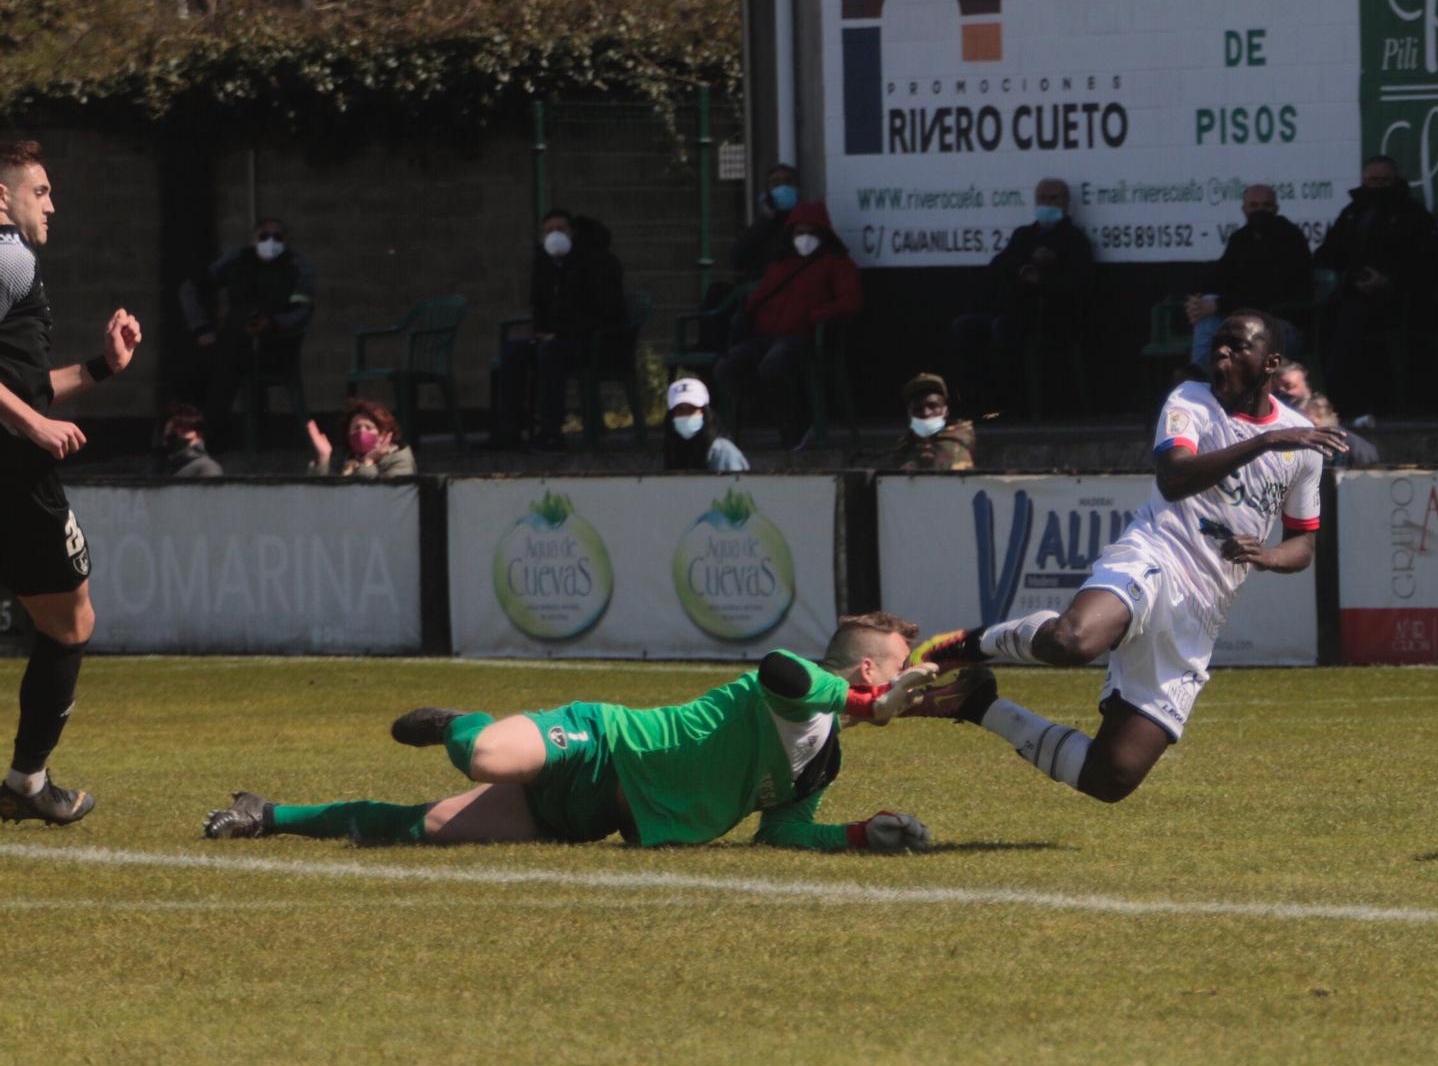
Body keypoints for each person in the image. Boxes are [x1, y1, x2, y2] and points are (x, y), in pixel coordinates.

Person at [904, 311, 1341, 803]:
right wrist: (1263, 441)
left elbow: (1303, 544)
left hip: (1200, 609)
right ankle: (971, 643)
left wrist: (1267, 556)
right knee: (1073, 641)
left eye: (1237, 346)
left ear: (1270, 362)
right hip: (1155, 555)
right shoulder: (1190, 400)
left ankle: (978, 704)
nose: (1221, 353)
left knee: (1109, 778)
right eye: (1217, 345)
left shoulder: (1300, 441)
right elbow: (1174, 479)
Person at [202, 613, 944, 851]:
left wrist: (854, 834)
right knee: (486, 755)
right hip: (600, 740)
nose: (912, 687)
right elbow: (781, 668)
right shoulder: (795, 688)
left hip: (598, 816)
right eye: (903, 670)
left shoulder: (823, 762)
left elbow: (781, 836)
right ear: (869, 671)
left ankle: (266, 813)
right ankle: (458, 722)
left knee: (423, 829)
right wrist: (866, 702)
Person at [0, 139, 144, 825]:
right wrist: (32, 425)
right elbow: (21, 402)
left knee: (61, 619)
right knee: (69, 621)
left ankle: (28, 782)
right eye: (41, 190)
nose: (52, 204)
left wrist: (100, 369)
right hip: (13, 475)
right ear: (3, 196)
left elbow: (23, 382)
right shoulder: (7, 254)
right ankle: (27, 783)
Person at [718, 201, 863, 449]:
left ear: (823, 234)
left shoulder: (837, 263)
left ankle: (797, 425)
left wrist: (817, 314)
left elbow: (852, 301)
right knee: (727, 367)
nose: (804, 238)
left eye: (811, 232)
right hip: (765, 335)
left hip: (802, 336)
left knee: (772, 366)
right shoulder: (780, 265)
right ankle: (759, 420)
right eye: (799, 232)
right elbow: (758, 297)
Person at [1312, 156, 1438, 425]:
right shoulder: (1352, 213)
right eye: (1373, 180)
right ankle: (1335, 403)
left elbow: (1427, 264)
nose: (1378, 185)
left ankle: (1355, 404)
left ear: (1396, 180)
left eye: (1384, 180)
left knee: (1355, 323)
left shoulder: (1413, 215)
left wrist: (1387, 279)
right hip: (1350, 292)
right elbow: (1328, 253)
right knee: (1325, 323)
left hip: (1399, 298)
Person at [953, 178, 1093, 416]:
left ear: (1066, 203)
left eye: (1053, 199)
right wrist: (1024, 268)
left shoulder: (1074, 240)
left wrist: (1044, 277)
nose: (1047, 204)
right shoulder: (1024, 235)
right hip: (1011, 308)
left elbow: (1078, 282)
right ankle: (974, 404)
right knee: (965, 326)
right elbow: (999, 264)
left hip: (1050, 316)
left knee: (1003, 329)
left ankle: (1012, 406)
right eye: (1042, 199)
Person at [492, 210, 627, 451]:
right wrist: (541, 332)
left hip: (594, 341)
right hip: (557, 339)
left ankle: (551, 431)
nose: (554, 235)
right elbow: (541, 307)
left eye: (560, 229)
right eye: (548, 230)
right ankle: (508, 431)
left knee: (550, 353)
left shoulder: (598, 262)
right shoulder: (545, 264)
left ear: (573, 232)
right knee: (513, 352)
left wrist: (563, 334)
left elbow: (605, 312)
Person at [180, 215, 315, 451]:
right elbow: (190, 288)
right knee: (206, 371)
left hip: (276, 346)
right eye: (263, 236)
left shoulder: (297, 266)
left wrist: (273, 323)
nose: (270, 242)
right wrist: (201, 327)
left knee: (227, 367)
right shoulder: (237, 260)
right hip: (233, 341)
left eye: (277, 237)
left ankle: (209, 442)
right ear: (253, 239)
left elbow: (302, 311)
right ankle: (193, 438)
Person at [1188, 184, 1313, 362]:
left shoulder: (1289, 238)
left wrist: (1220, 305)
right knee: (1207, 308)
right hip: (1242, 318)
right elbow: (1220, 277)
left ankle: (1212, 382)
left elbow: (1271, 291)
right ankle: (1201, 383)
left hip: (1281, 322)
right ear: (1244, 209)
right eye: (1254, 206)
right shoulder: (1240, 238)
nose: (1260, 210)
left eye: (1266, 205)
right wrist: (1198, 301)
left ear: (1276, 209)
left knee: (1230, 326)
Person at [706, 163, 800, 351]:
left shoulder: (804, 222)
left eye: (788, 182)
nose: (782, 187)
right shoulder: (763, 223)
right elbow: (738, 258)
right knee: (717, 293)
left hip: (785, 294)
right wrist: (766, 220)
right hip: (756, 293)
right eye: (775, 183)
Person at [887, 371, 976, 472]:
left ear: (945, 411)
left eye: (932, 406)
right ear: (909, 414)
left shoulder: (955, 447)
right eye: (917, 408)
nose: (926, 413)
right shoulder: (903, 449)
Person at [306, 397, 416, 478]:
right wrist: (323, 458)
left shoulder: (400, 459)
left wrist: (368, 462)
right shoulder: (344, 459)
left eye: (369, 427)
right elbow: (321, 497)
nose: (362, 432)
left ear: (384, 434)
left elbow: (377, 497)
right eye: (356, 428)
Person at [661, 375, 750, 473]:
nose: (685, 415)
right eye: (679, 409)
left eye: (692, 408)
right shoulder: (672, 450)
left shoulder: (723, 452)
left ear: (705, 412)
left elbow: (735, 487)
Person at [153, 402, 222, 478]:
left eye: (183, 428)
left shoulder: (206, 467)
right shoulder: (161, 468)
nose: (176, 434)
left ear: (198, 434)